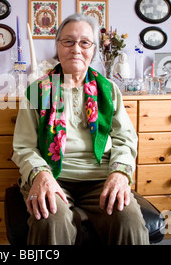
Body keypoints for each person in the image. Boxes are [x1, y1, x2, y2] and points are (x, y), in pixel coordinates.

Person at [12, 13, 149, 245]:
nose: (76, 49)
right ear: (58, 45)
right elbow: (23, 146)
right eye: (68, 41)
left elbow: (125, 140)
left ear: (93, 49)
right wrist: (42, 175)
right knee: (49, 220)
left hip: (101, 178)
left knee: (129, 220)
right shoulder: (37, 91)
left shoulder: (109, 90)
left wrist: (120, 174)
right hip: (54, 176)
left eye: (84, 42)